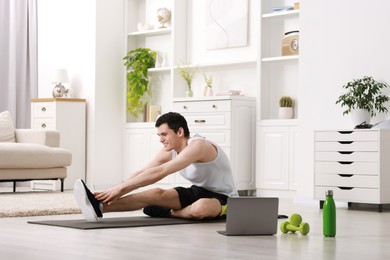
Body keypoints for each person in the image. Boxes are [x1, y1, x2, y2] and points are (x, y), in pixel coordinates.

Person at [74, 112, 238, 222]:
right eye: (159, 135)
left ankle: (170, 212)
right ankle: (99, 207)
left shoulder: (199, 146)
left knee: (201, 207)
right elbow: (143, 172)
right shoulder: (171, 150)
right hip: (197, 191)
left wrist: (121, 190)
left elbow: (161, 172)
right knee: (155, 193)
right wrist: (113, 191)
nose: (160, 139)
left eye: (164, 134)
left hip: (225, 198)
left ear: (180, 132)